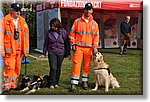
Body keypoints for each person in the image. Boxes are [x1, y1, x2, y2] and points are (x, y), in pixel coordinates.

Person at [69, 2, 99, 92]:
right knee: (76, 65)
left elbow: (96, 37)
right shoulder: (77, 21)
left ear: (92, 11)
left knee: (86, 65)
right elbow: (72, 33)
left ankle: (84, 82)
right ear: (84, 10)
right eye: (87, 9)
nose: (88, 11)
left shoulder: (95, 24)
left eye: (90, 9)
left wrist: (95, 47)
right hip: (79, 47)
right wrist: (73, 43)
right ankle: (74, 83)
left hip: (89, 48)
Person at [1, 3, 29, 92]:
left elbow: (26, 36)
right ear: (11, 11)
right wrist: (1, 50)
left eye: (19, 11)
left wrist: (26, 50)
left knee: (17, 68)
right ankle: (6, 85)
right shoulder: (4, 21)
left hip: (20, 49)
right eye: (16, 11)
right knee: (10, 67)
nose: (18, 12)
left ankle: (13, 84)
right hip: (9, 50)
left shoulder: (22, 21)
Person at [40, 18, 71, 89]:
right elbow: (46, 43)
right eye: (51, 25)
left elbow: (67, 43)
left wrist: (68, 53)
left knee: (58, 68)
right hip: (52, 52)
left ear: (57, 25)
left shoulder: (63, 32)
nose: (52, 27)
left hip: (61, 52)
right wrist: (44, 53)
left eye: (53, 25)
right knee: (53, 67)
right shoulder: (49, 33)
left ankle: (56, 82)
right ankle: (51, 83)